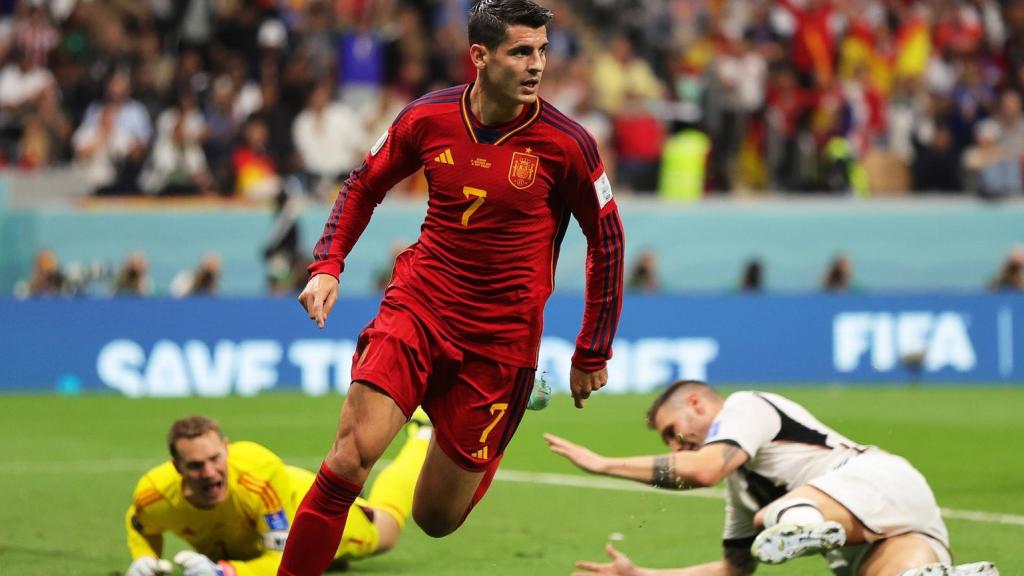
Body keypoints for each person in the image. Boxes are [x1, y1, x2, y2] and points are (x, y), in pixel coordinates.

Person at [283, 1, 625, 574]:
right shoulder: (427, 117)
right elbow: (364, 184)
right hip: (420, 308)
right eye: (521, 51)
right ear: (480, 56)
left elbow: (607, 241)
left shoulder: (568, 144)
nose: (537, 64)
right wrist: (327, 264)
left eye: (542, 50)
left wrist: (593, 349)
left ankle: (462, 424)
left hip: (500, 342)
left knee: (435, 517)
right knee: (347, 459)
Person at [545, 380, 999, 576]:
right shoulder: (743, 490)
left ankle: (800, 525)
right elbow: (733, 570)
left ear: (698, 403)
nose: (674, 447)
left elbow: (703, 470)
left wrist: (604, 464)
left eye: (672, 431)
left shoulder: (745, 406)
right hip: (889, 525)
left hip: (873, 480)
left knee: (774, 516)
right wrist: (641, 574)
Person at [124, 414, 430, 576]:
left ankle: (422, 433)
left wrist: (224, 572)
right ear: (177, 466)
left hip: (302, 508)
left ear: (227, 449)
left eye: (215, 459)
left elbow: (283, 562)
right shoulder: (154, 493)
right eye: (195, 465)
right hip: (255, 538)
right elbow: (141, 523)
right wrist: (145, 559)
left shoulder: (259, 476)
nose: (209, 472)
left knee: (387, 529)